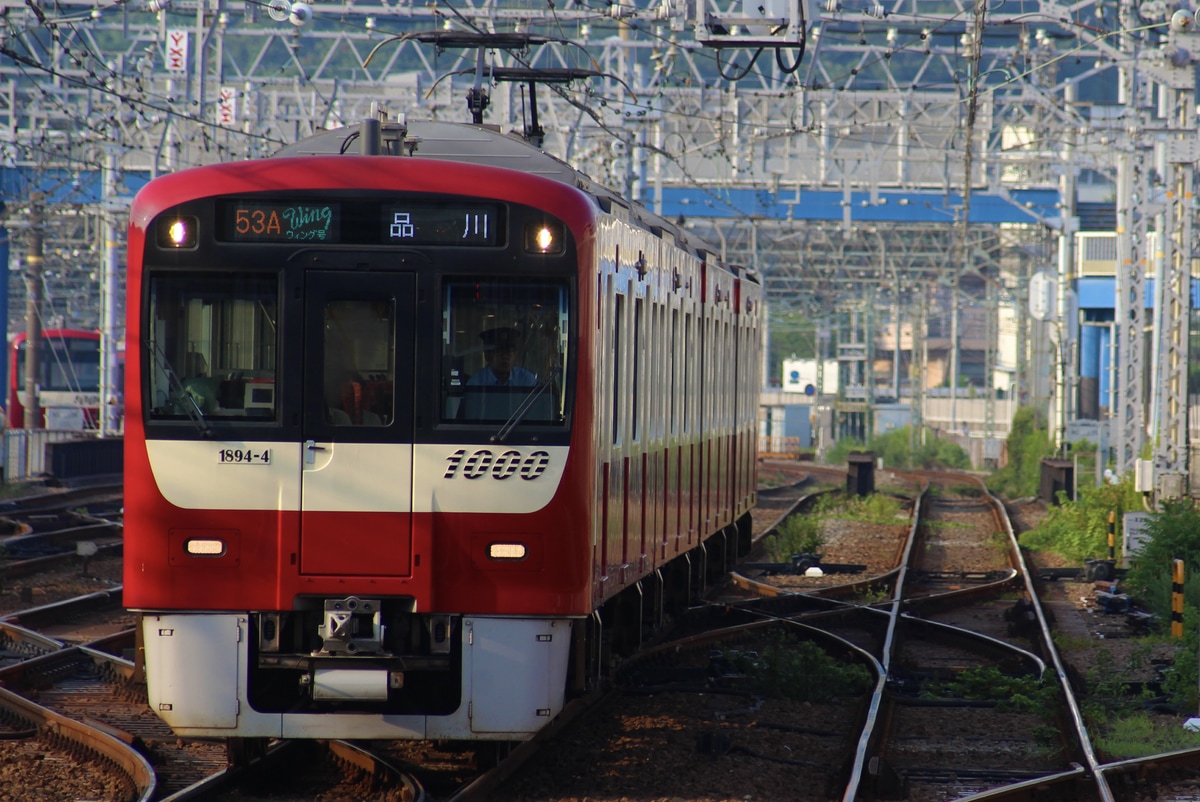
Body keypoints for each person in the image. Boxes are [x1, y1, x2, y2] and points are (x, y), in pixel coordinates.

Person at [467, 327, 537, 387]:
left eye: (509, 351)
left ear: (515, 355)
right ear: (487, 355)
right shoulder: (476, 383)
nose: (505, 356)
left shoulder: (526, 379)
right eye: (498, 351)